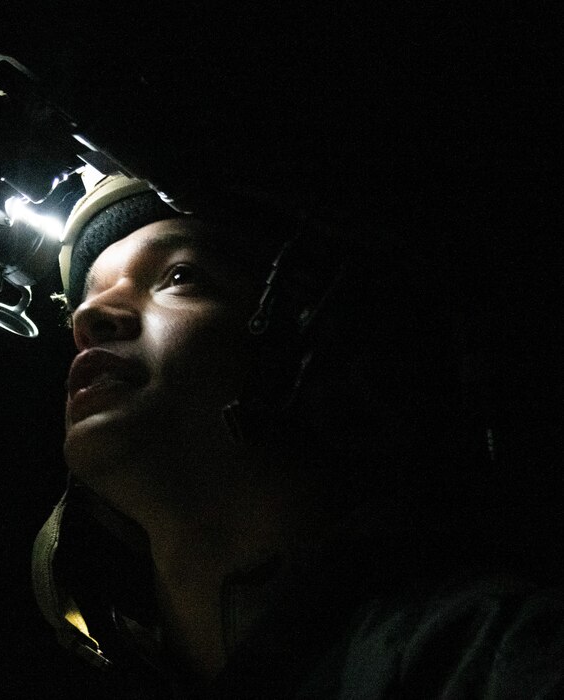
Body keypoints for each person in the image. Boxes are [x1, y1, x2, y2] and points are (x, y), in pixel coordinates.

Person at [30, 170, 564, 698]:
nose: (91, 315)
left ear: (319, 356)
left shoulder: (493, 657)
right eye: (88, 299)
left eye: (178, 276)